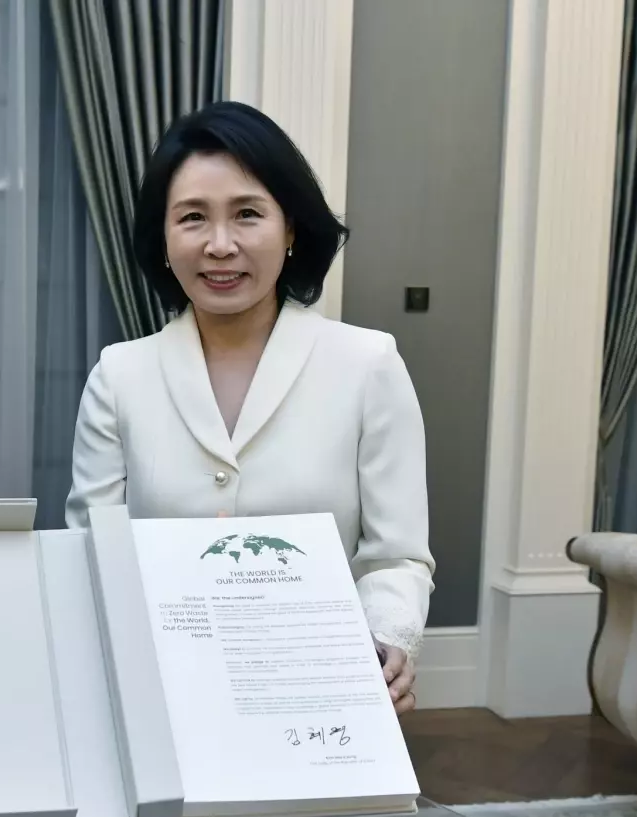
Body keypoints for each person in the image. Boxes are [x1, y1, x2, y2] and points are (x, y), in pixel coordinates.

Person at [65, 101, 433, 713]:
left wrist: (387, 640)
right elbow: (92, 549)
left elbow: (396, 556)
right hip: (164, 689)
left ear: (291, 229)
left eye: (247, 214)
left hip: (317, 692)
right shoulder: (119, 376)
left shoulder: (368, 365)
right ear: (163, 238)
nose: (220, 244)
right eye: (192, 218)